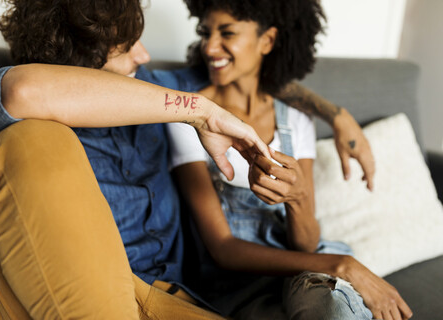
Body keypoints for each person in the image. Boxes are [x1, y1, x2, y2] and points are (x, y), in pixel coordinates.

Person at [0, 0, 374, 319]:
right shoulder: (16, 101)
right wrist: (200, 110)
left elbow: (251, 73)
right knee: (31, 139)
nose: (145, 56)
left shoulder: (150, 86)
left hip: (179, 299)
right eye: (127, 47)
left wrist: (336, 116)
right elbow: (22, 90)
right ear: (82, 62)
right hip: (98, 291)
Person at [165, 0, 412, 319]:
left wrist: (298, 200)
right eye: (205, 32)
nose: (210, 47)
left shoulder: (295, 119)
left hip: (304, 273)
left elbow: (307, 244)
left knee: (334, 304)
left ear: (266, 41)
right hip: (240, 284)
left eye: (227, 33)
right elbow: (222, 248)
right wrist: (342, 266)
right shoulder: (191, 118)